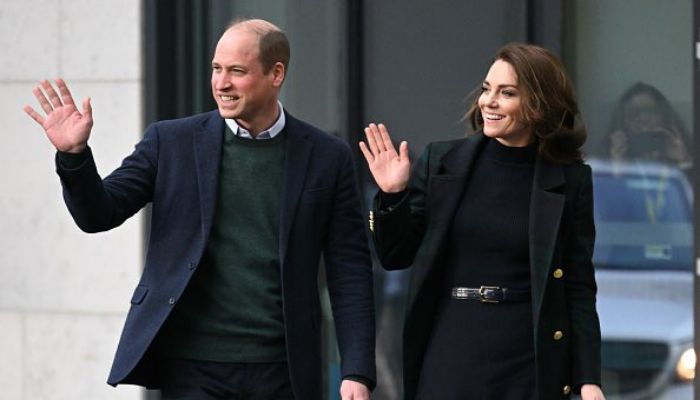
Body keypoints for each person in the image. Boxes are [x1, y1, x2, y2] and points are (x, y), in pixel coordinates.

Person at [24, 18, 375, 400]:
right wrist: (75, 157)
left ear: (276, 74)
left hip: (283, 368)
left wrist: (356, 370)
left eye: (236, 71)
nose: (221, 83)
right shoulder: (171, 142)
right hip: (192, 369)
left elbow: (349, 270)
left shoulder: (327, 156)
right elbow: (99, 214)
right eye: (216, 68)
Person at [359, 43, 605, 400]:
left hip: (528, 359)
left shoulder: (570, 180)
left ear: (539, 105)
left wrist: (588, 379)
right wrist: (393, 195)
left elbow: (579, 286)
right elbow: (395, 255)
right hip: (452, 349)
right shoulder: (442, 163)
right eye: (487, 89)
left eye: (507, 93)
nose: (489, 101)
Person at [604, 82, 691, 169]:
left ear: (664, 116)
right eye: (633, 114)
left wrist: (683, 160)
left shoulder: (681, 147)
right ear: (622, 122)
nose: (643, 120)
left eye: (650, 111)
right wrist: (617, 164)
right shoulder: (612, 153)